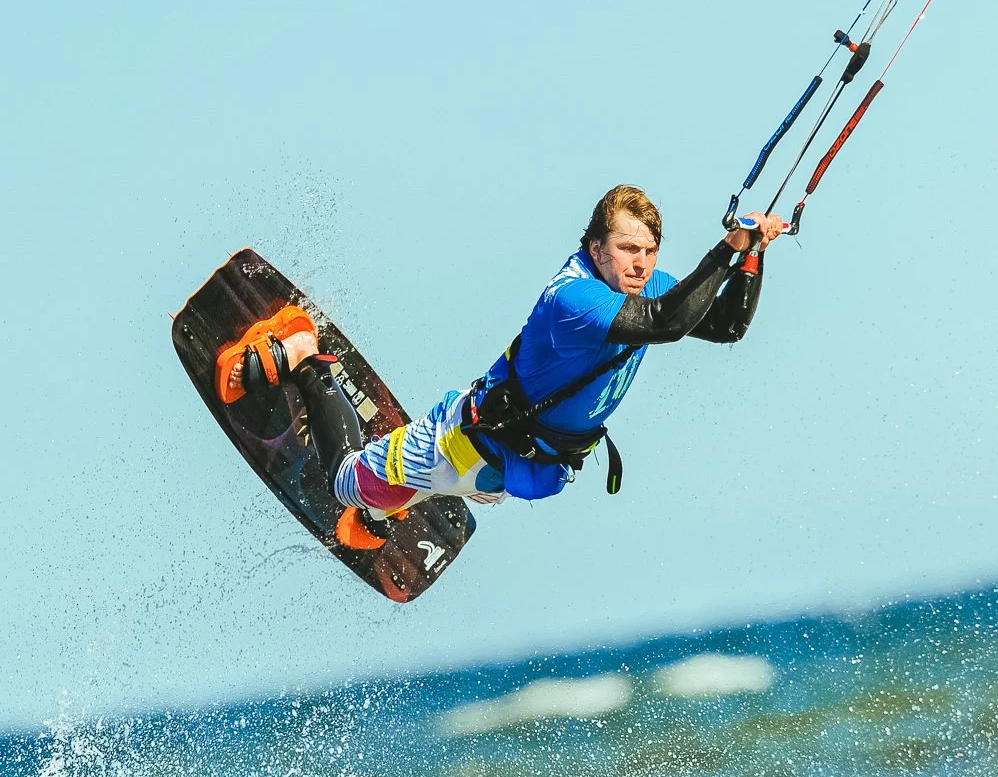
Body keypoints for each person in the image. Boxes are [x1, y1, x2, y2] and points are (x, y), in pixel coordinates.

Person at [214, 185, 783, 549]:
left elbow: (725, 324)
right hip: (462, 445)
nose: (641, 264)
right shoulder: (573, 298)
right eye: (627, 249)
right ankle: (303, 355)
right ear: (595, 247)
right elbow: (667, 322)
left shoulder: (643, 287)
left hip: (523, 462)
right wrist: (726, 249)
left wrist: (753, 251)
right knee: (347, 484)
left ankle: (398, 498)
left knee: (469, 490)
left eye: (650, 252)